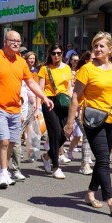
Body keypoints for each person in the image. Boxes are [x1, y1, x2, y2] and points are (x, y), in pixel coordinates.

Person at [64, 32, 112, 215]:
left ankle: (90, 193)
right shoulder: (87, 69)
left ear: (110, 49)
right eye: (95, 46)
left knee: (102, 159)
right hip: (92, 120)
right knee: (104, 159)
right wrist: (69, 122)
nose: (98, 49)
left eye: (101, 46)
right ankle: (110, 199)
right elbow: (75, 97)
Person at [0, 30, 53, 189]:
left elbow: (31, 83)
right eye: (13, 40)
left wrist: (44, 98)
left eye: (18, 41)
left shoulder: (21, 62)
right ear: (5, 42)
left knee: (11, 142)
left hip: (15, 108)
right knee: (3, 140)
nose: (16, 43)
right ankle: (3, 173)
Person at [37, 43, 73, 179]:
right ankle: (56, 167)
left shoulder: (67, 68)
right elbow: (40, 88)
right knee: (55, 133)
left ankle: (47, 156)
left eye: (59, 53)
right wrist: (43, 101)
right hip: (49, 102)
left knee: (64, 134)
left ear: (62, 53)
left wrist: (70, 101)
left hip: (64, 101)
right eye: (54, 53)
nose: (56, 56)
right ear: (50, 54)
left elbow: (69, 87)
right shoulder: (45, 69)